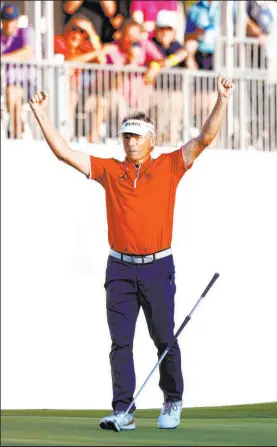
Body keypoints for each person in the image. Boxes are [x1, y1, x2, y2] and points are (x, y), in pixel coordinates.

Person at [28, 73, 234, 431]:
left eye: (137, 136)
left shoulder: (169, 165)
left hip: (157, 268)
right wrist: (41, 114)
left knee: (164, 339)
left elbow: (205, 138)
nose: (130, 142)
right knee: (119, 343)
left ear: (152, 140)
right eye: (126, 136)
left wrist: (223, 99)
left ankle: (172, 399)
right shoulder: (111, 170)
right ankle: (124, 411)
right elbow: (63, 153)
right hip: (119, 269)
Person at [150, 10, 188, 145]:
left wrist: (189, 54)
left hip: (175, 92)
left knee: (173, 128)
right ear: (156, 29)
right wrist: (175, 58)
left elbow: (191, 68)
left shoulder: (179, 46)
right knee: (157, 127)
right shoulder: (150, 44)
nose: (165, 32)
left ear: (174, 31)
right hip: (156, 91)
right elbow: (155, 63)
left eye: (169, 28)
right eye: (162, 28)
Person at [0, 3, 35, 138]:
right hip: (4, 84)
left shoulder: (26, 32)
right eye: (6, 21)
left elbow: (27, 52)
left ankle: (16, 132)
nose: (9, 25)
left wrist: (3, 58)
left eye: (12, 21)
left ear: (17, 20)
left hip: (27, 84)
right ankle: (16, 130)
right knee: (11, 92)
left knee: (12, 93)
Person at [184, 0, 220, 71]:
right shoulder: (194, 8)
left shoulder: (228, 7)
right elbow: (186, 37)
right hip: (201, 55)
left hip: (221, 56)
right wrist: (197, 33)